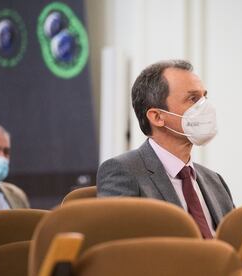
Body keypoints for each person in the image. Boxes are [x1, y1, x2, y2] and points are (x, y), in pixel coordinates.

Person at [97, 60, 234, 238]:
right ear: (157, 117)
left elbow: (235, 244)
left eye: (204, 97)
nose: (205, 107)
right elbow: (120, 250)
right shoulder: (122, 171)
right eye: (193, 99)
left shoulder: (215, 181)